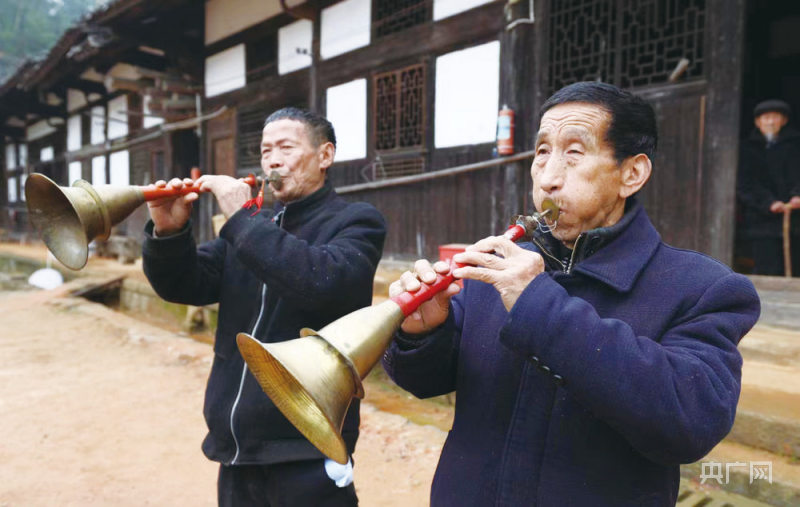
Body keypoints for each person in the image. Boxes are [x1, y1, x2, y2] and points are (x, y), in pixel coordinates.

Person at [383, 82, 760, 506]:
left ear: (631, 174)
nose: (547, 177)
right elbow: (427, 381)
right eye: (542, 151)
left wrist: (537, 305)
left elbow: (690, 425)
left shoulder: (702, 287)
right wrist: (422, 334)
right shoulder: (499, 268)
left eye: (574, 153)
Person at [142, 108, 387, 506]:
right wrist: (169, 232)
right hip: (236, 449)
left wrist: (241, 219)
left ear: (325, 156)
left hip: (308, 443)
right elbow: (185, 283)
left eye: (286, 148)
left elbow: (320, 283)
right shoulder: (254, 227)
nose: (272, 159)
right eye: (265, 150)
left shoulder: (356, 221)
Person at [737, 99, 800, 276]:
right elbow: (745, 184)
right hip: (762, 223)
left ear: (784, 121)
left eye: (775, 117)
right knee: (768, 270)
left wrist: (797, 195)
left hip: (796, 222)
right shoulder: (746, 148)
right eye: (766, 118)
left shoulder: (796, 145)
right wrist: (768, 203)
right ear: (758, 123)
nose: (771, 122)